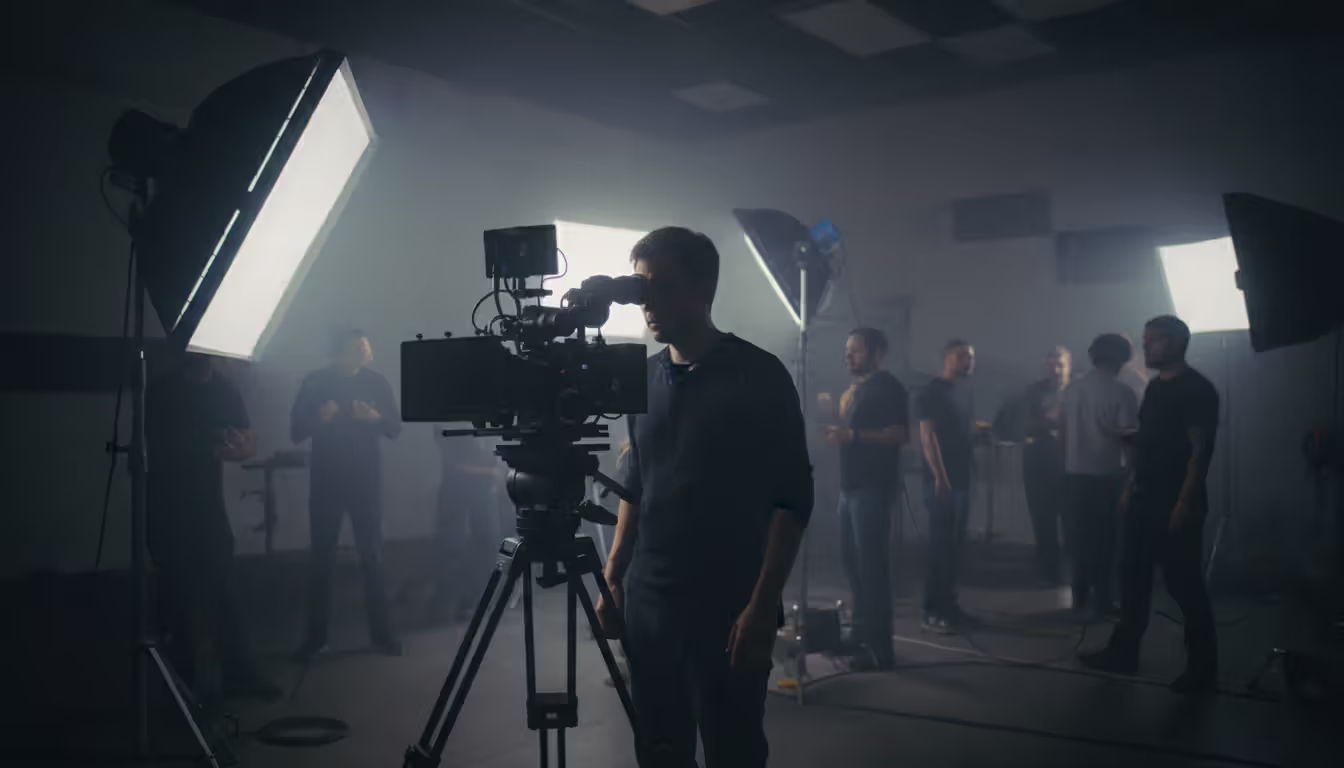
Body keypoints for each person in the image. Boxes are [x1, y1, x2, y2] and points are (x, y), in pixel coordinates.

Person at [595, 227, 813, 768]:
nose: (648, 302)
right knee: (659, 751)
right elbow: (636, 483)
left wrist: (761, 607)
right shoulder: (644, 378)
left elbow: (792, 501)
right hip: (650, 605)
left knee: (733, 750)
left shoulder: (757, 375)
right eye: (641, 288)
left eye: (663, 287)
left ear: (704, 289)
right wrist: (613, 577)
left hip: (728, 605)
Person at [1080, 315, 1220, 695]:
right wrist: (1131, 483)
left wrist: (1185, 501)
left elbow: (1200, 452)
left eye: (1153, 340)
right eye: (1145, 340)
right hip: (1144, 496)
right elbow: (1148, 441)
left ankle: (1203, 669)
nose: (1145, 347)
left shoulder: (1198, 389)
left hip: (1175, 502)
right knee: (1132, 578)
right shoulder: (1156, 388)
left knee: (1183, 584)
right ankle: (1123, 652)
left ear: (1175, 343)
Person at [147, 353, 279, 701]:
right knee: (174, 592)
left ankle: (238, 674)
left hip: (207, 505)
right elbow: (151, 447)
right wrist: (206, 444)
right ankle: (178, 684)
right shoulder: (162, 391)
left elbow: (248, 444)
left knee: (222, 586)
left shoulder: (225, 390)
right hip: (167, 505)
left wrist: (236, 448)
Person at [291, 329, 403, 659]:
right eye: (360, 347)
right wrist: (320, 419)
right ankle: (315, 639)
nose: (366, 352)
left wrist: (374, 417)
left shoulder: (376, 382)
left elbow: (394, 428)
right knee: (321, 560)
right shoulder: (315, 382)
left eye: (366, 347)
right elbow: (296, 431)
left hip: (365, 482)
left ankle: (382, 635)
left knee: (373, 556)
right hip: (327, 482)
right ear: (342, 351)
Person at [823, 327, 909, 670]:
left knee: (872, 569)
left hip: (872, 488)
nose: (849, 355)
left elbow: (900, 434)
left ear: (877, 354)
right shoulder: (858, 389)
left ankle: (879, 650)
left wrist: (853, 435)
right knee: (853, 564)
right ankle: (860, 635)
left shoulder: (889, 388)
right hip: (851, 488)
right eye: (848, 349)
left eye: (856, 350)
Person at [1060, 334, 1139, 622]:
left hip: (1074, 474)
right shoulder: (1122, 392)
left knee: (1079, 541)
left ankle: (1079, 599)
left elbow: (1062, 432)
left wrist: (1065, 464)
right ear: (1122, 359)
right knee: (1107, 542)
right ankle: (1103, 601)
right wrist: (1133, 476)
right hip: (1107, 476)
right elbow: (1129, 438)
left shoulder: (1071, 390)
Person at [917, 340, 977, 633]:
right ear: (946, 359)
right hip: (942, 481)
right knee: (941, 548)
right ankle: (933, 611)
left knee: (953, 548)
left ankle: (949, 606)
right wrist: (940, 476)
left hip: (963, 479)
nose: (968, 361)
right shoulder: (932, 393)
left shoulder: (962, 393)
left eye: (971, 356)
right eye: (961, 356)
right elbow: (928, 437)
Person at [430, 431, 503, 625]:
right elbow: (454, 461)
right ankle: (449, 604)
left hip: (482, 489)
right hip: (457, 489)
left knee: (486, 544)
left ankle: (472, 601)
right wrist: (491, 472)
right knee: (453, 546)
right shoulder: (450, 425)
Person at [1020, 347, 1072, 584]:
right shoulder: (1033, 391)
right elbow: (1023, 424)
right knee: (1043, 520)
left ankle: (1074, 573)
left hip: (1071, 466)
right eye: (1051, 365)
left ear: (1069, 366)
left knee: (1073, 523)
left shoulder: (1078, 391)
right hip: (1039, 465)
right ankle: (1048, 572)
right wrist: (1051, 421)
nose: (1056, 370)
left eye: (1060, 365)